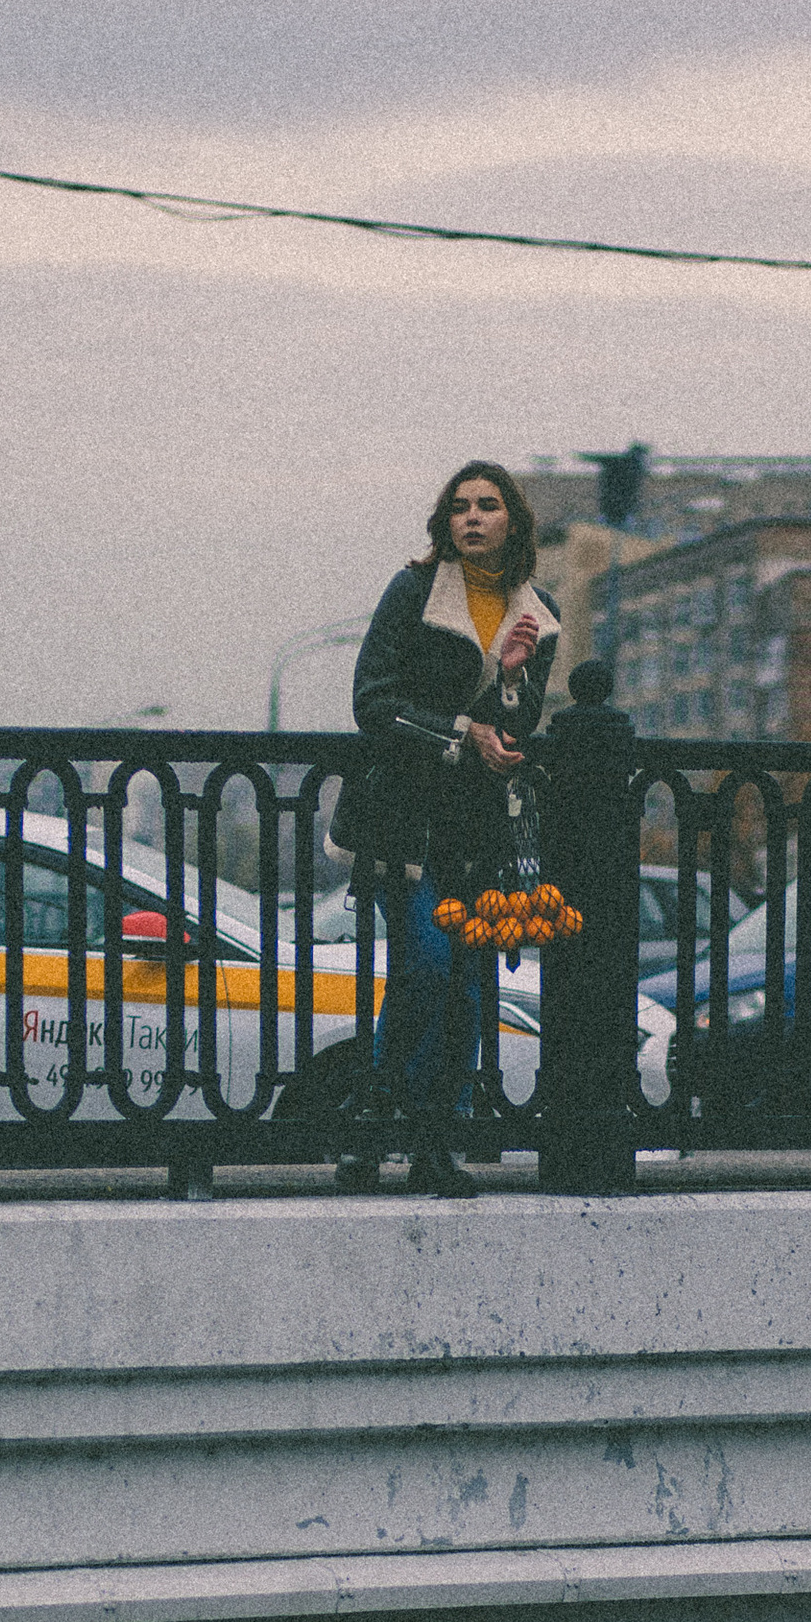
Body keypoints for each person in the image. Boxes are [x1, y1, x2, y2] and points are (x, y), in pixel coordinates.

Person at [339, 460, 558, 1196]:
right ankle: (377, 1123)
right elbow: (372, 699)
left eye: (488, 506)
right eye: (460, 507)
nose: (472, 518)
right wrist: (464, 733)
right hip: (400, 821)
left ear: (512, 524)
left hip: (477, 830)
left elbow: (520, 727)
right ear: (445, 522)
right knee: (428, 966)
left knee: (461, 985)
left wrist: (514, 676)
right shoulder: (413, 591)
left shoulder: (537, 612)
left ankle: (427, 1143)